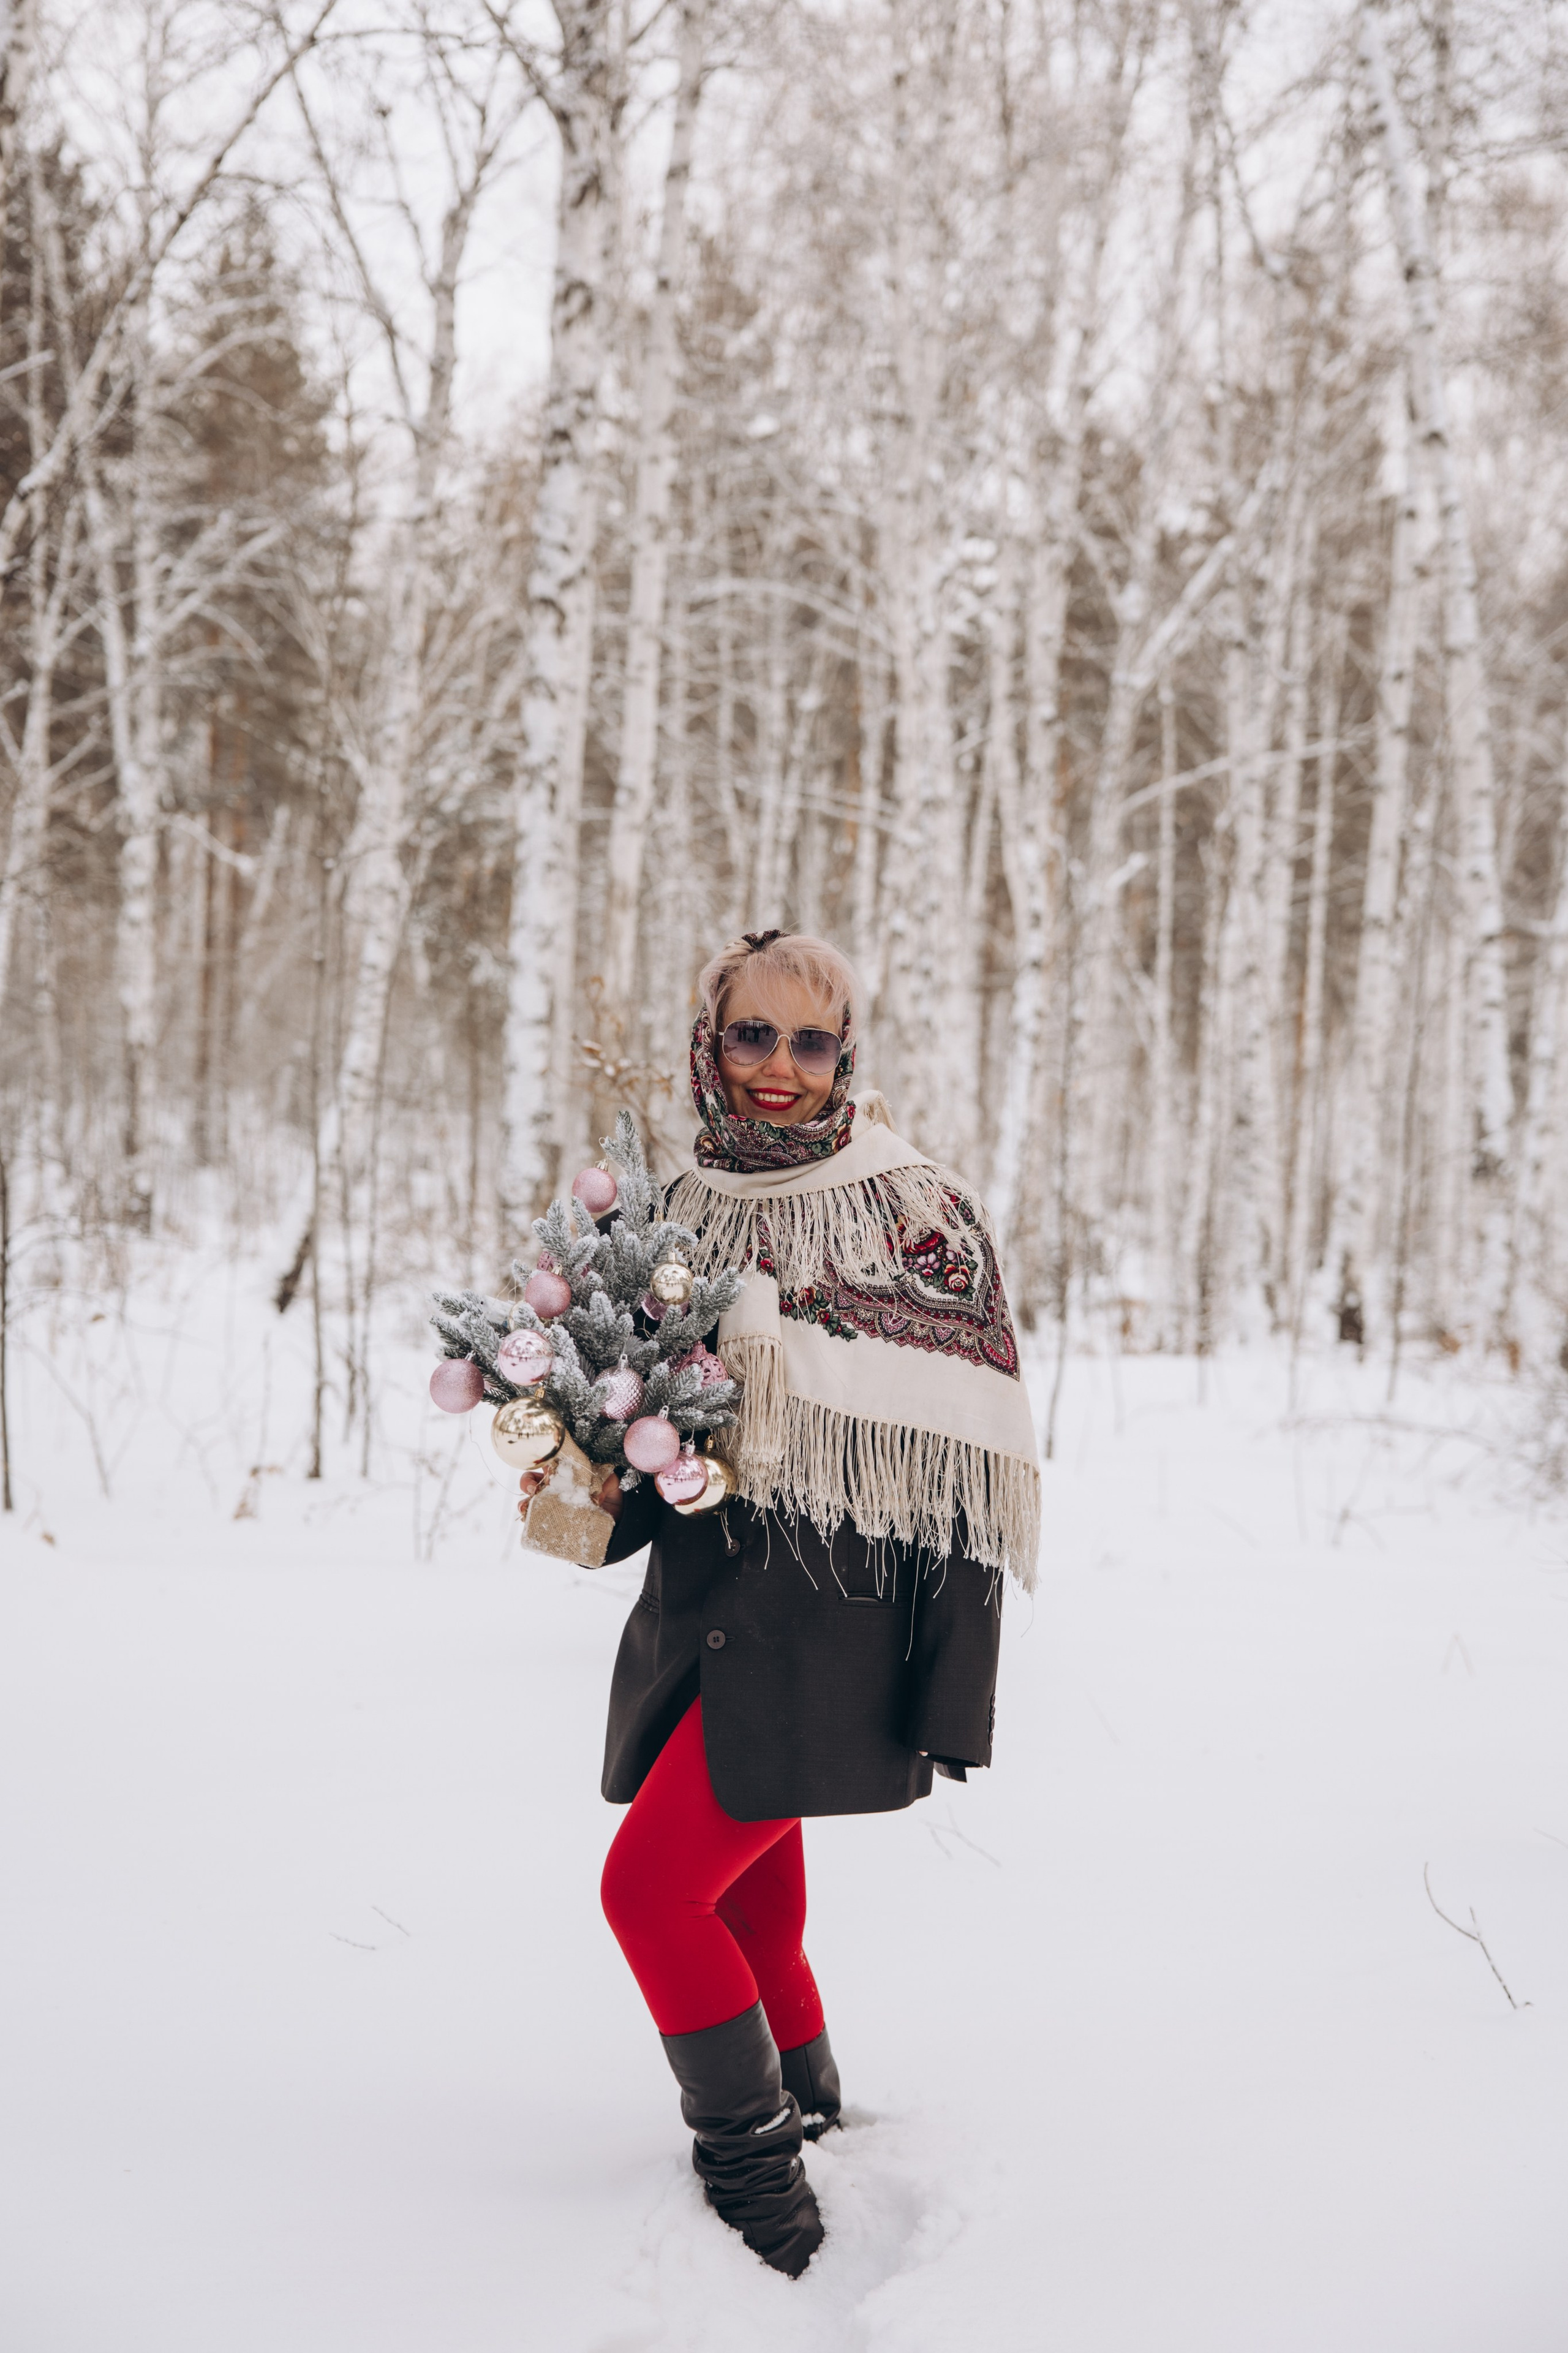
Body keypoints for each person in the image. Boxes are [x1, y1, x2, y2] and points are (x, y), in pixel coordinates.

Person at [519, 929, 1039, 2278]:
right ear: (711, 1036)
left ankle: (758, 2179)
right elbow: (642, 1426)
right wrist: (579, 1439)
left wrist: (949, 1693)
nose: (778, 1069)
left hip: (834, 1633)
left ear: (844, 1050)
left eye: (809, 1042)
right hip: (705, 1616)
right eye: (752, 1035)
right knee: (754, 1913)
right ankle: (809, 2106)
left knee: (649, 1895)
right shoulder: (675, 1204)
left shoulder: (914, 1208)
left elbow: (972, 1462)